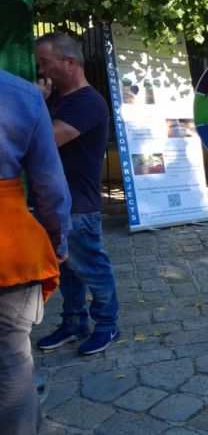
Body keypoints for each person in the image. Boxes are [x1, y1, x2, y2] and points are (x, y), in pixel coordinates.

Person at [34, 32, 121, 355]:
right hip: (55, 202)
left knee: (92, 267)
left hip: (78, 206)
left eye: (45, 62)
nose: (40, 70)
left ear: (69, 63)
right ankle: (74, 322)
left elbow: (44, 140)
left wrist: (36, 103)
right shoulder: (58, 98)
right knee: (66, 268)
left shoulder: (87, 103)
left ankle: (107, 324)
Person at [0, 69, 72, 435]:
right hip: (9, 249)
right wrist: (58, 242)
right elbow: (49, 184)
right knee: (12, 361)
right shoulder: (21, 94)